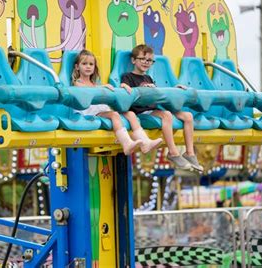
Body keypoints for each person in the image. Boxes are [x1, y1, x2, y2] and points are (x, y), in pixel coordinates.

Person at [120, 44, 203, 172]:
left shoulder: (148, 78)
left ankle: (190, 153)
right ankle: (173, 152)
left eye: (149, 61)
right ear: (133, 60)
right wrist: (132, 87)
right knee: (167, 115)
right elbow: (124, 88)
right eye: (143, 59)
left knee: (188, 116)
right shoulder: (128, 76)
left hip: (154, 108)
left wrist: (174, 89)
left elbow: (158, 94)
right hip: (141, 112)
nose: (146, 63)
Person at [72, 49, 162, 155]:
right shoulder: (78, 82)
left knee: (130, 114)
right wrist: (102, 87)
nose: (88, 66)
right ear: (77, 67)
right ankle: (126, 144)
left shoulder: (94, 83)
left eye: (91, 64)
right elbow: (87, 90)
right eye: (84, 64)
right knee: (114, 115)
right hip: (90, 112)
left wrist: (109, 88)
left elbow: (98, 91)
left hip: (101, 109)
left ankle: (145, 142)